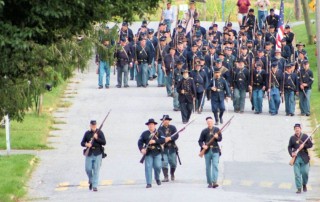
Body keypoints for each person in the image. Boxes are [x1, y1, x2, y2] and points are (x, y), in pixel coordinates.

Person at [138, 118, 165, 188]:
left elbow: (163, 140)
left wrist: (155, 141)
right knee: (148, 167)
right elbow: (140, 142)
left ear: (154, 125)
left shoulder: (159, 132)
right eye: (149, 125)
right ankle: (149, 183)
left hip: (157, 151)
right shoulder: (145, 133)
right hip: (148, 152)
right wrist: (142, 149)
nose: (151, 126)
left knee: (158, 166)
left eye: (152, 124)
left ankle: (157, 178)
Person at [81, 120, 106, 192]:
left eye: (95, 126)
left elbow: (104, 142)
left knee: (96, 170)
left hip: (98, 153)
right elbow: (82, 142)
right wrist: (86, 144)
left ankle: (95, 186)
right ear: (90, 126)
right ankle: (91, 180)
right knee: (88, 169)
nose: (94, 127)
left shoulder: (100, 133)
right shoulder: (87, 133)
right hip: (89, 153)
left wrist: (97, 138)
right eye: (92, 126)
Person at [288, 123, 313, 194]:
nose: (297, 130)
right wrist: (291, 153)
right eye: (296, 128)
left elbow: (310, 145)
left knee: (305, 172)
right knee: (297, 174)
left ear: (300, 129)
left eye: (298, 128)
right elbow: (289, 147)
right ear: (294, 129)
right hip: (296, 157)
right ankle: (299, 188)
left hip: (304, 156)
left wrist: (304, 145)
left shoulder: (305, 136)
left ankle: (304, 184)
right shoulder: (292, 138)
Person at [198, 117, 222, 188]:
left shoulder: (217, 130)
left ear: (213, 122)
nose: (210, 123)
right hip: (207, 151)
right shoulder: (204, 131)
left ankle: (214, 182)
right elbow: (200, 141)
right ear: (207, 123)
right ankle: (209, 182)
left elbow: (220, 139)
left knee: (215, 165)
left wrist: (217, 137)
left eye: (211, 122)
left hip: (215, 150)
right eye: (208, 122)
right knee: (208, 167)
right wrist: (203, 146)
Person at [159, 115, 179, 182]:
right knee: (164, 163)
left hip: (172, 147)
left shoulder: (173, 128)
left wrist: (170, 138)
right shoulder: (160, 129)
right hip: (163, 148)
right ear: (162, 121)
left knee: (173, 163)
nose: (166, 121)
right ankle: (166, 176)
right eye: (165, 120)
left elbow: (176, 135)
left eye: (167, 120)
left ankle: (172, 173)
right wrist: (164, 139)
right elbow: (159, 137)